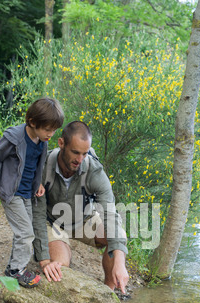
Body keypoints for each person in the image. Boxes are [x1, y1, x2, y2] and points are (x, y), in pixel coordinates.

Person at [32, 121, 129, 294]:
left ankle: (109, 292)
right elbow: (37, 216)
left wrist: (120, 263)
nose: (79, 160)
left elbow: (110, 214)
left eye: (84, 154)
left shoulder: (94, 171)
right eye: (75, 152)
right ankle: (61, 249)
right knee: (61, 267)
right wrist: (44, 259)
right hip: (52, 223)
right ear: (61, 143)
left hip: (82, 219)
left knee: (118, 236)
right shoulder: (43, 166)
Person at [0, 97, 64, 288]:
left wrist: (39, 183)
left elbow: (38, 164)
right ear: (32, 122)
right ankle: (16, 271)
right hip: (11, 191)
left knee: (27, 230)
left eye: (54, 130)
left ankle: (12, 266)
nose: (51, 134)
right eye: (48, 129)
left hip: (27, 192)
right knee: (25, 233)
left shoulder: (42, 140)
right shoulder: (14, 138)